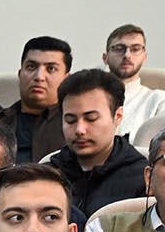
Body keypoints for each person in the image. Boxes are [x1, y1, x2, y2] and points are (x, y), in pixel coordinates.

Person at [44, 69, 148, 214]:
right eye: (70, 120)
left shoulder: (143, 179)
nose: (80, 130)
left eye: (91, 119)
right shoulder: (47, 175)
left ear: (117, 116)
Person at [0, 37, 72, 165]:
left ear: (66, 79)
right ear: (20, 74)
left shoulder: (75, 126)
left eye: (51, 69)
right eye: (31, 67)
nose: (39, 77)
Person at [102, 25, 165, 137]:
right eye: (119, 48)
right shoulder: (88, 98)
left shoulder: (160, 101)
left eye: (135, 49)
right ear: (105, 57)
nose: (127, 55)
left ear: (144, 57)